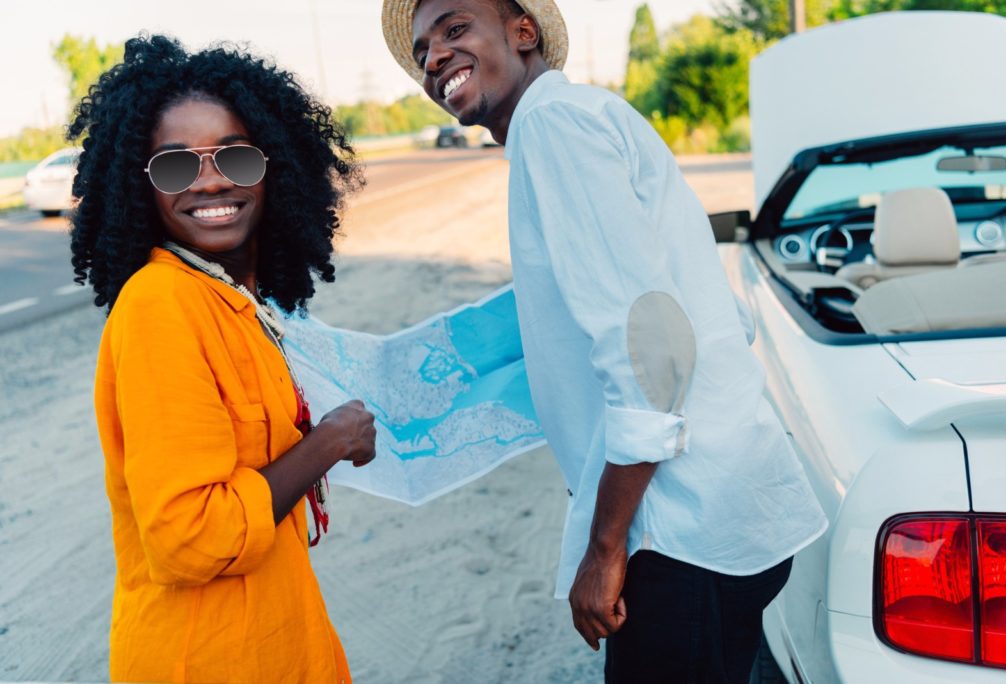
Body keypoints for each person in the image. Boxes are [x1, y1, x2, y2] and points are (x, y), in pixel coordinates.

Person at [382, 1, 828, 681]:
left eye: (454, 29)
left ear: (523, 31)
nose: (434, 57)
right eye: (421, 52)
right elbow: (707, 314)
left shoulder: (553, 127)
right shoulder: (578, 119)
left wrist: (605, 547)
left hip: (684, 534)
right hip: (727, 512)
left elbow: (651, 346)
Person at [69, 35, 375, 683]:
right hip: (207, 659)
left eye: (234, 157)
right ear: (140, 187)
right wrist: (326, 443)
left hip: (274, 639)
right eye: (176, 167)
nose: (210, 178)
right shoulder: (159, 304)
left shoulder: (227, 298)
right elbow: (190, 535)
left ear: (274, 167)